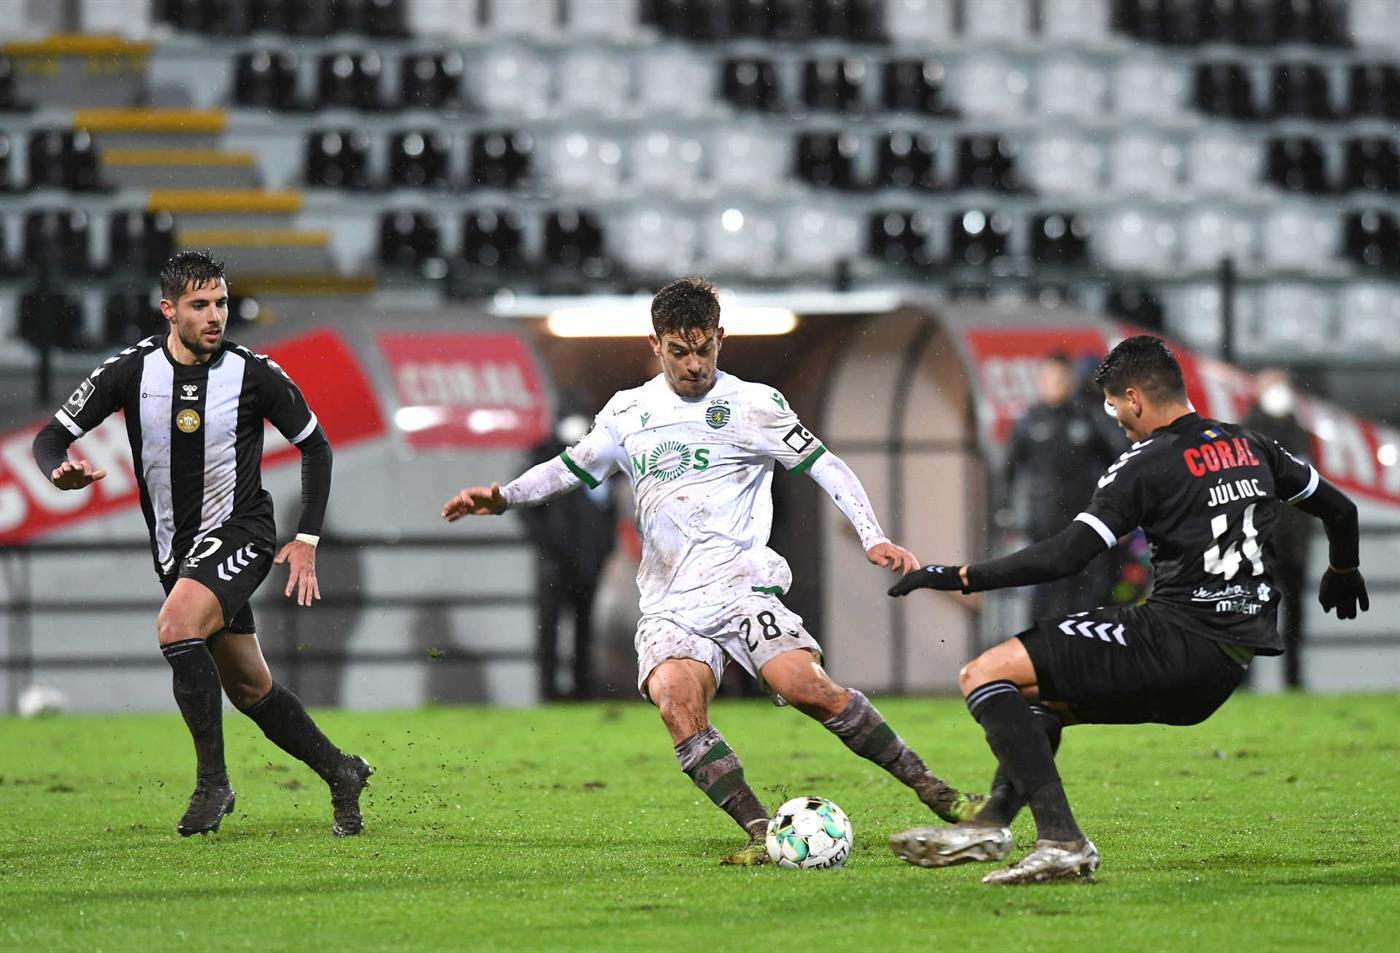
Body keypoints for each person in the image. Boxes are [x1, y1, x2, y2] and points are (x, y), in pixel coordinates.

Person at [443, 276, 982, 864]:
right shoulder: (629, 412)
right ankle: (761, 831)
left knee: (805, 687)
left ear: (721, 339)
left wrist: (872, 535)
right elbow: (569, 468)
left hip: (743, 589)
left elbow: (828, 467)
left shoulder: (756, 405)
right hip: (671, 604)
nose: (694, 364)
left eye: (705, 349)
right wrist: (504, 496)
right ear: (656, 345)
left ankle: (936, 791)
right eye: (680, 351)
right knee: (676, 700)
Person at [886, 335, 1367, 884]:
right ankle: (993, 821)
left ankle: (1063, 841)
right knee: (1033, 695)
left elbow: (1068, 555)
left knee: (984, 672)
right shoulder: (1253, 445)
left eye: (1116, 408)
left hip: (1174, 641)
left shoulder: (1146, 463)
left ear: (1135, 398)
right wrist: (1343, 570)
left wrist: (961, 576)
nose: (1117, 421)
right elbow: (1341, 509)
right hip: (1227, 663)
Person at [30, 251, 372, 837]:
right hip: (177, 553)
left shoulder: (255, 373)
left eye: (221, 303)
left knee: (176, 625)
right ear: (169, 310)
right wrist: (58, 470)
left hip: (243, 532)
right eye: (199, 305)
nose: (215, 316)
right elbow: (50, 438)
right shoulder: (131, 370)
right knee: (249, 686)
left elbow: (316, 446)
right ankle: (341, 771)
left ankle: (213, 782)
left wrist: (306, 536)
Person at [1003, 352, 1123, 618]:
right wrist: (1006, 512)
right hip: (1044, 523)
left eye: (1062, 379)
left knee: (1086, 591)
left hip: (1083, 521)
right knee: (1044, 593)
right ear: (1042, 381)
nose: (1057, 384)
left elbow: (1118, 459)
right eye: (1052, 378)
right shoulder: (1029, 421)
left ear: (1070, 381)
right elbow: (1008, 471)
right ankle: (1040, 652)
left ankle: (1083, 651)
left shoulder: (1088, 418)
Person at [517, 410, 617, 700]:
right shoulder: (544, 454)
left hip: (588, 562)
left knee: (584, 629)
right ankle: (548, 692)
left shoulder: (599, 455)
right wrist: (548, 544)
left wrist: (603, 548)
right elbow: (527, 507)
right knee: (549, 629)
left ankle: (582, 690)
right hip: (555, 563)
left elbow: (605, 510)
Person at [1242, 368, 1314, 689]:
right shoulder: (1248, 429)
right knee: (1252, 608)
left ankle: (1294, 678)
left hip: (1295, 534)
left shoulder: (1300, 431)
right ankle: (1244, 679)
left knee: (1295, 611)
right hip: (1259, 536)